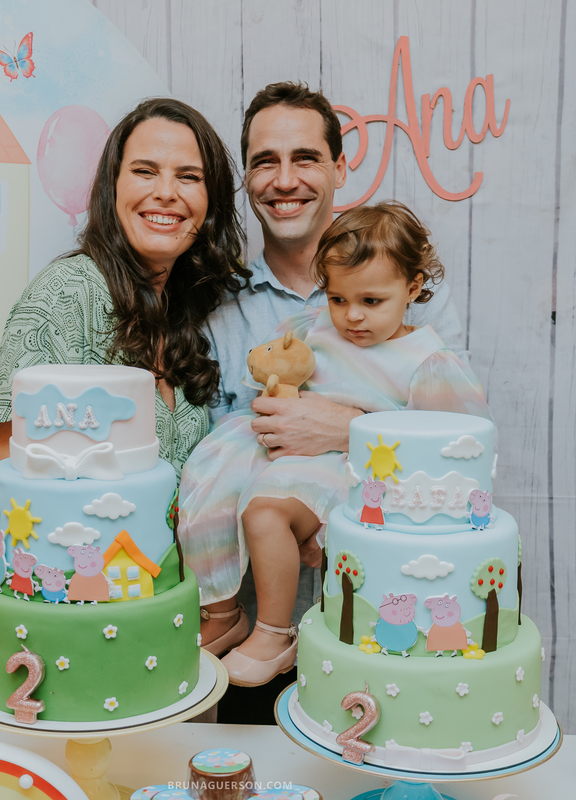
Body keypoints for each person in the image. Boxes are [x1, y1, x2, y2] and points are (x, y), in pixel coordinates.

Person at [197, 82, 468, 664]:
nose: (285, 179)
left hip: (384, 618)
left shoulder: (417, 299)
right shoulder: (219, 308)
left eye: (306, 159)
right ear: (246, 178)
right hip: (257, 632)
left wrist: (349, 427)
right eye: (265, 162)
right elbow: (220, 450)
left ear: (340, 168)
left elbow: (455, 444)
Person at [180, 201, 490, 686]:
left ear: (412, 288)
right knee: (208, 478)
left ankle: (274, 632)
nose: (352, 317)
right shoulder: (315, 330)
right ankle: (220, 610)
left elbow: (450, 445)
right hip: (288, 445)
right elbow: (275, 373)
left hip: (354, 465)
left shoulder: (427, 360)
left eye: (372, 301)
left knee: (265, 513)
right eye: (338, 299)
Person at [0, 97, 248, 473]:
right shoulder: (66, 292)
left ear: (210, 201)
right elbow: (8, 468)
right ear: (113, 185)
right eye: (145, 171)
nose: (167, 192)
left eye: (189, 176)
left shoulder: (184, 312)